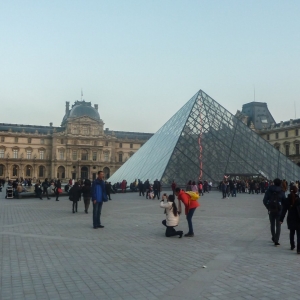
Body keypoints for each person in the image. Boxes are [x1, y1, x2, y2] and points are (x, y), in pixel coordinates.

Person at [263, 178, 286, 246]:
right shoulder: (281, 191)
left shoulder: (269, 190)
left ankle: (273, 237)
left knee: (272, 224)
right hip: (279, 210)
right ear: (280, 183)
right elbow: (284, 201)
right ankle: (276, 240)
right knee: (278, 226)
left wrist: (268, 207)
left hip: (271, 210)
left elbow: (264, 200)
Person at [280, 186, 300, 253]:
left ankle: (292, 245)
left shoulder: (287, 199)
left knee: (292, 232)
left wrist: (281, 219)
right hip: (298, 218)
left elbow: (284, 210)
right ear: (296, 191)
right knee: (299, 234)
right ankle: (299, 249)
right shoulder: (298, 199)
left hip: (290, 218)